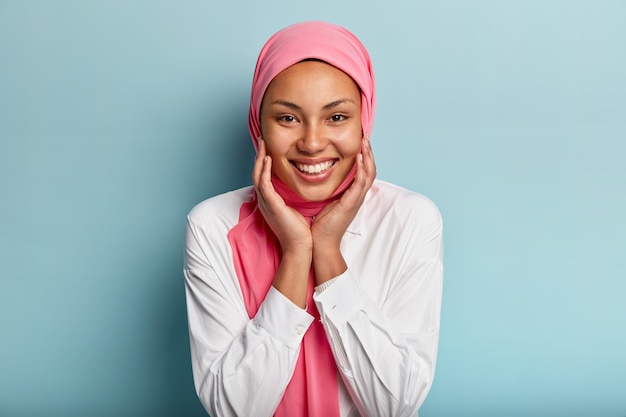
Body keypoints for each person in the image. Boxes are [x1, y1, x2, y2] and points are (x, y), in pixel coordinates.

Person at [184, 21, 443, 417]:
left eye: (336, 117)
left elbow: (394, 405)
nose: (312, 142)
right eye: (288, 118)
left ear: (364, 122)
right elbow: (234, 410)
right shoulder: (213, 226)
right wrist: (297, 252)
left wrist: (327, 251)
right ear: (259, 126)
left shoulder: (409, 220)